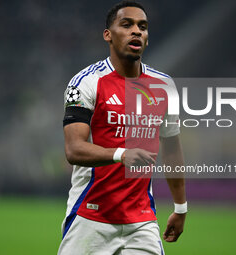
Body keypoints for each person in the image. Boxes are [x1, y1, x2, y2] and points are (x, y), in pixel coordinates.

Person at [58, 1, 186, 254]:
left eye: (143, 27)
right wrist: (121, 154)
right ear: (108, 34)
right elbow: (74, 150)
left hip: (142, 222)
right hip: (89, 217)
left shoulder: (163, 86)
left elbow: (172, 150)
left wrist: (180, 207)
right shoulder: (85, 82)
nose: (136, 31)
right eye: (126, 25)